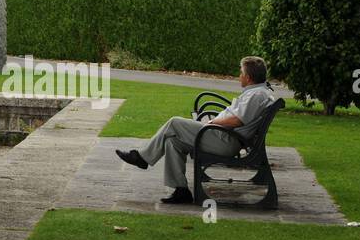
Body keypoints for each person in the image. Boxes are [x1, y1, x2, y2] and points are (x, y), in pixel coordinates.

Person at [115, 56, 276, 204]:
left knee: (174, 123)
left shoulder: (256, 95)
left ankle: (142, 158)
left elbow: (237, 120)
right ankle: (181, 191)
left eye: (241, 73)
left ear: (248, 77)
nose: (239, 75)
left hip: (225, 140)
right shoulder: (258, 92)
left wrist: (213, 121)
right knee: (173, 141)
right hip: (224, 136)